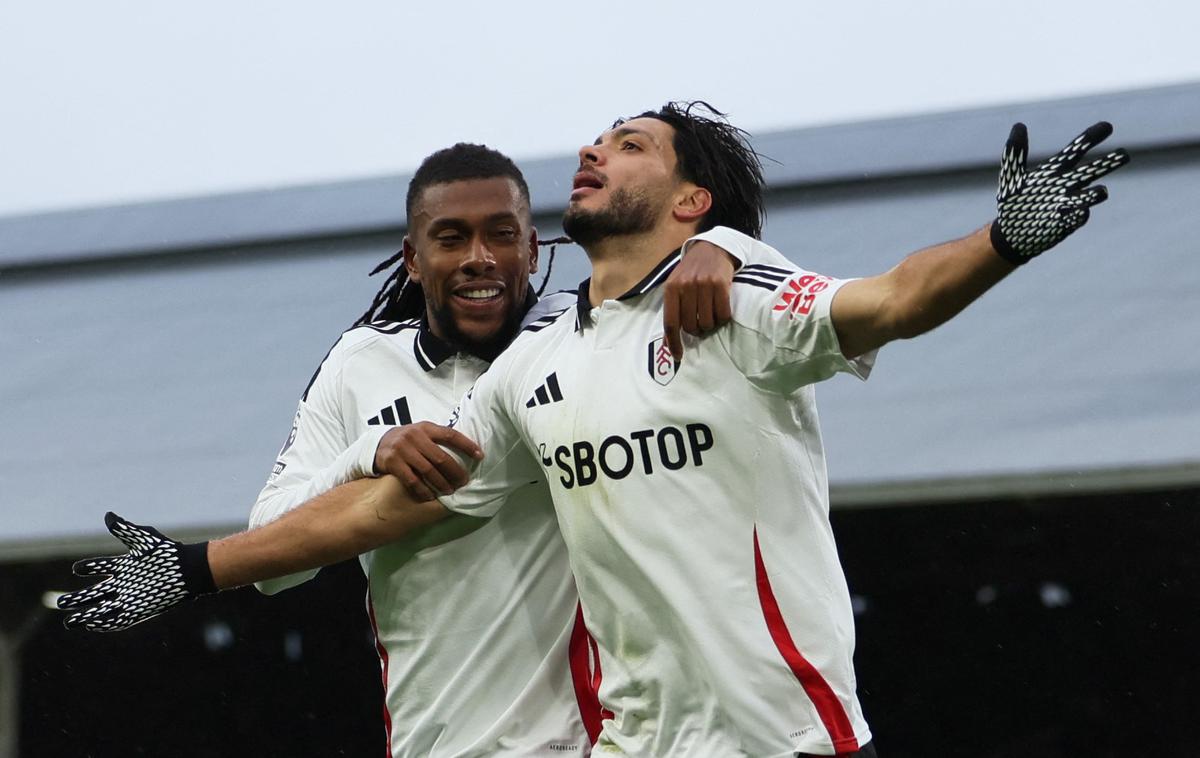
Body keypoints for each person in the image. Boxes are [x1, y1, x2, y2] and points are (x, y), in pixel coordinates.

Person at [60, 103, 1128, 757]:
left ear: (687, 198)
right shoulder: (531, 369)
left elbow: (891, 297)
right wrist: (196, 566)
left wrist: (1002, 239)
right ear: (413, 250)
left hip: (775, 736)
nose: (594, 149)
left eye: (627, 144)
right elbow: (384, 506)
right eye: (594, 138)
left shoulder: (736, 292)